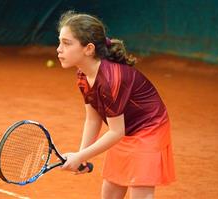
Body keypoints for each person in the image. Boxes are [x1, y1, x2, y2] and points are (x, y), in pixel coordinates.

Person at [57, 10, 175, 199]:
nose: (58, 49)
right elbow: (93, 120)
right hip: (125, 129)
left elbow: (115, 132)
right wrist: (83, 156)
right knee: (110, 193)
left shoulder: (111, 79)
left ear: (88, 48)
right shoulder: (83, 75)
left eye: (66, 43)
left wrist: (79, 157)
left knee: (140, 192)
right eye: (60, 41)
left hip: (149, 127)